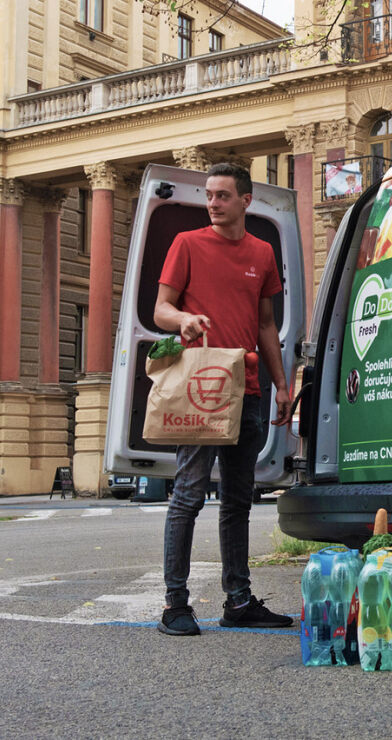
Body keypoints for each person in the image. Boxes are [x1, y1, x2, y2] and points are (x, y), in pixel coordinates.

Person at [153, 162, 293, 635]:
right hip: (200, 390)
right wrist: (183, 320)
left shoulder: (262, 252)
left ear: (245, 201)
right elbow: (161, 308)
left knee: (238, 501)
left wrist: (283, 385)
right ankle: (175, 604)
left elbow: (266, 325)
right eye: (209, 195)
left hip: (248, 390)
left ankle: (238, 600)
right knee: (189, 495)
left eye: (222, 196)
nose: (212, 203)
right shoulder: (187, 244)